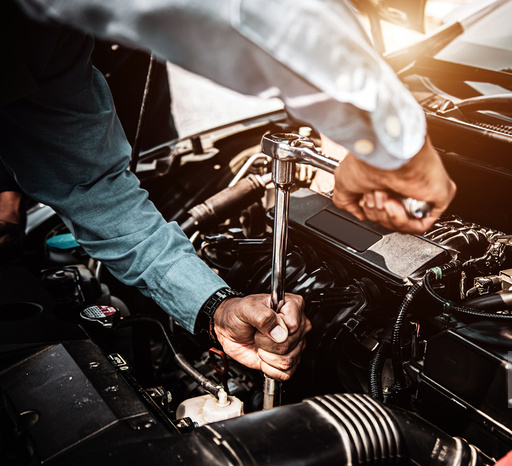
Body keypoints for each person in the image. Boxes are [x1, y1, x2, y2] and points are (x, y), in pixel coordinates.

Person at [2, 0, 455, 381]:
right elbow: (239, 10)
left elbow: (95, 190)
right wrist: (391, 142)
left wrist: (213, 307)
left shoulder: (45, 48)